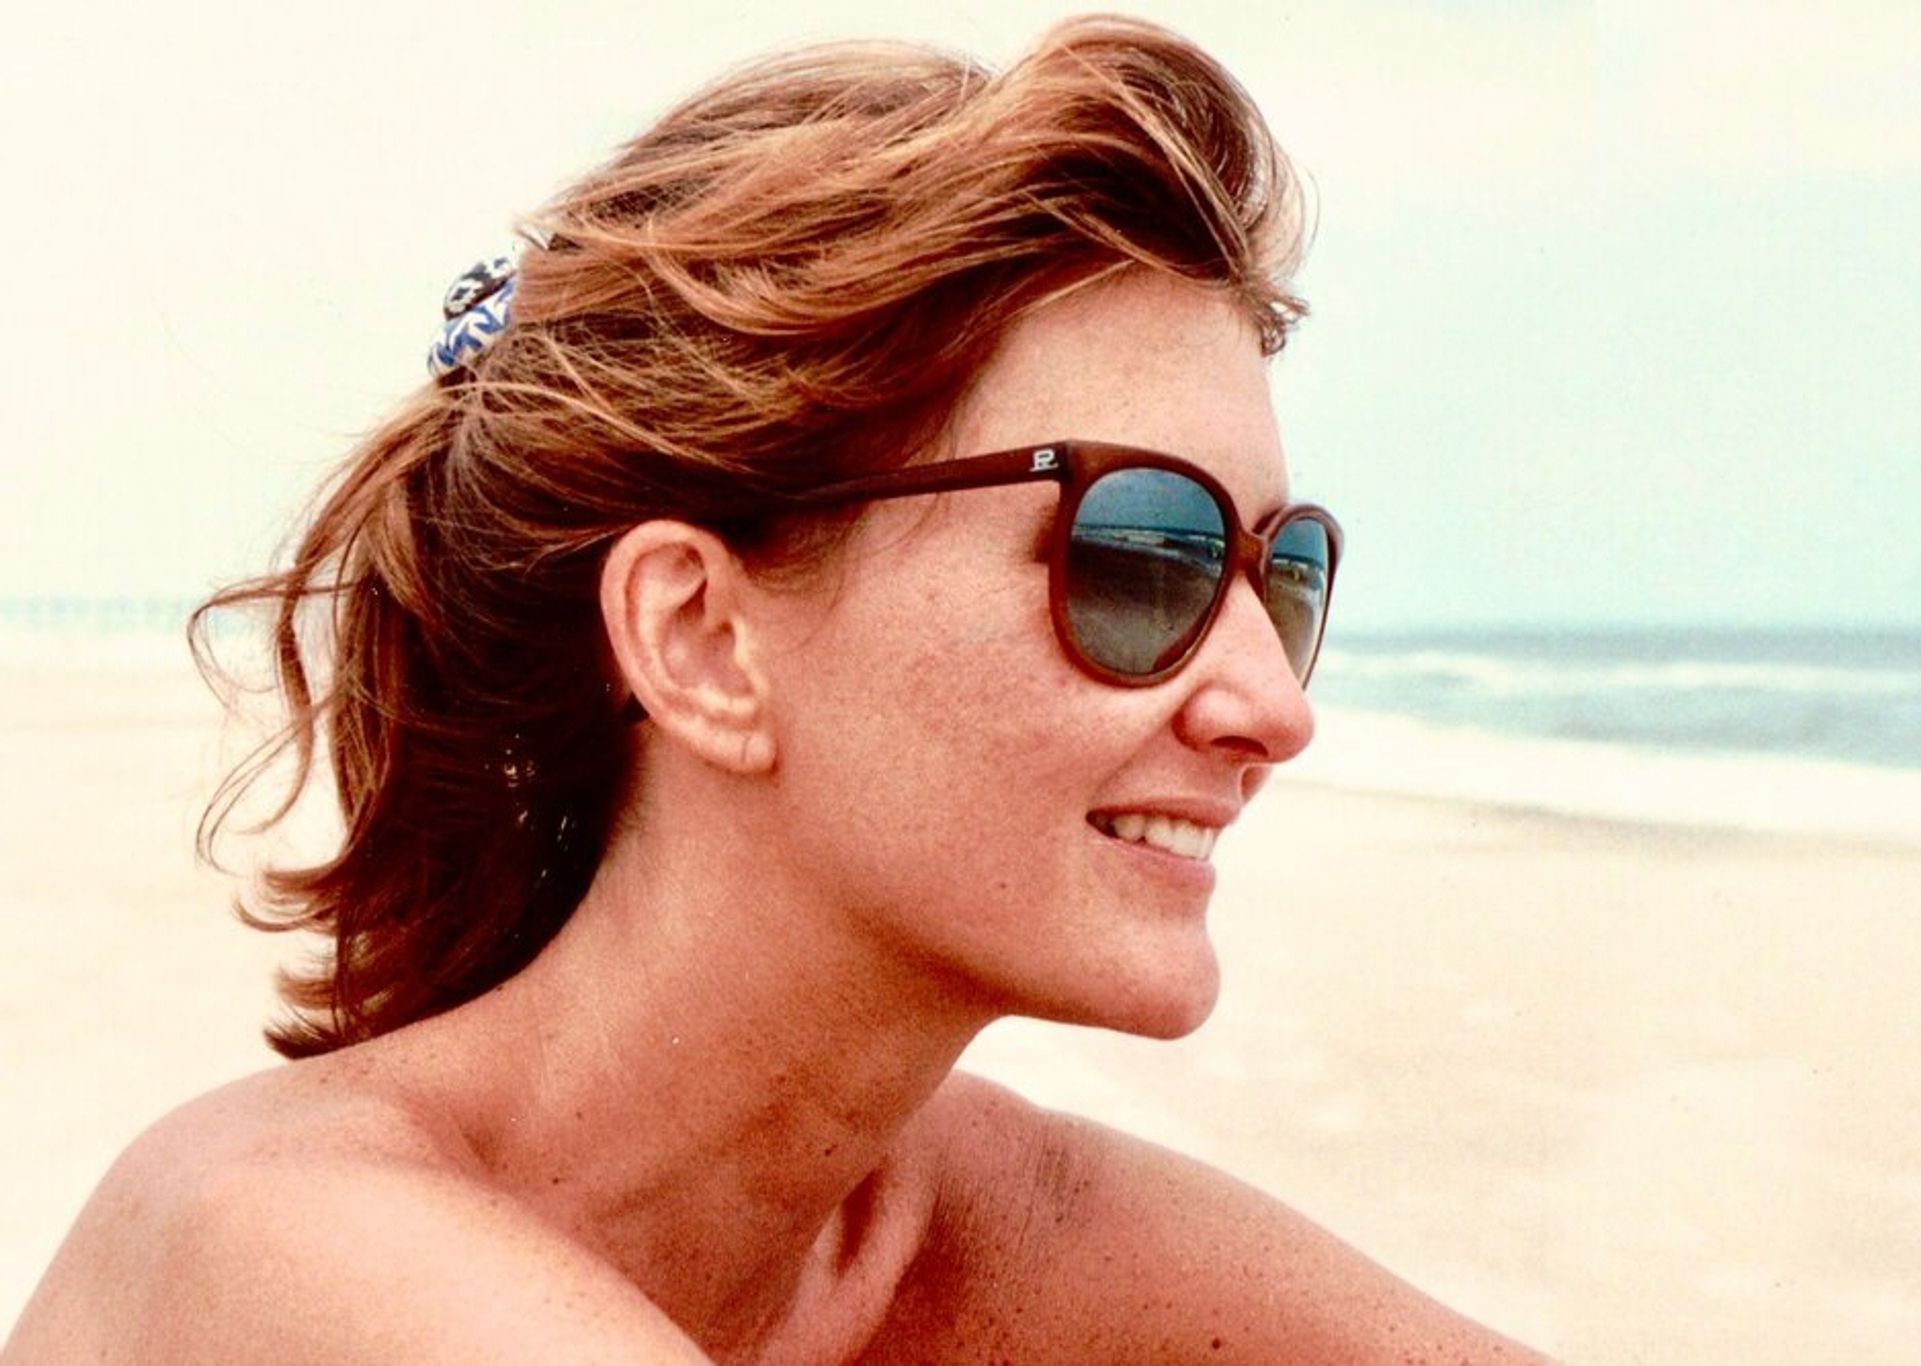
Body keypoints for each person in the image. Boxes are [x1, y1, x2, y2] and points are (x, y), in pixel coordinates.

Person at [5, 17, 1540, 1363]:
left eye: (1283, 572)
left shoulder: (972, 1215)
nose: (1272, 705)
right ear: (700, 640)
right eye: (1139, 554)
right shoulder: (291, 1246)